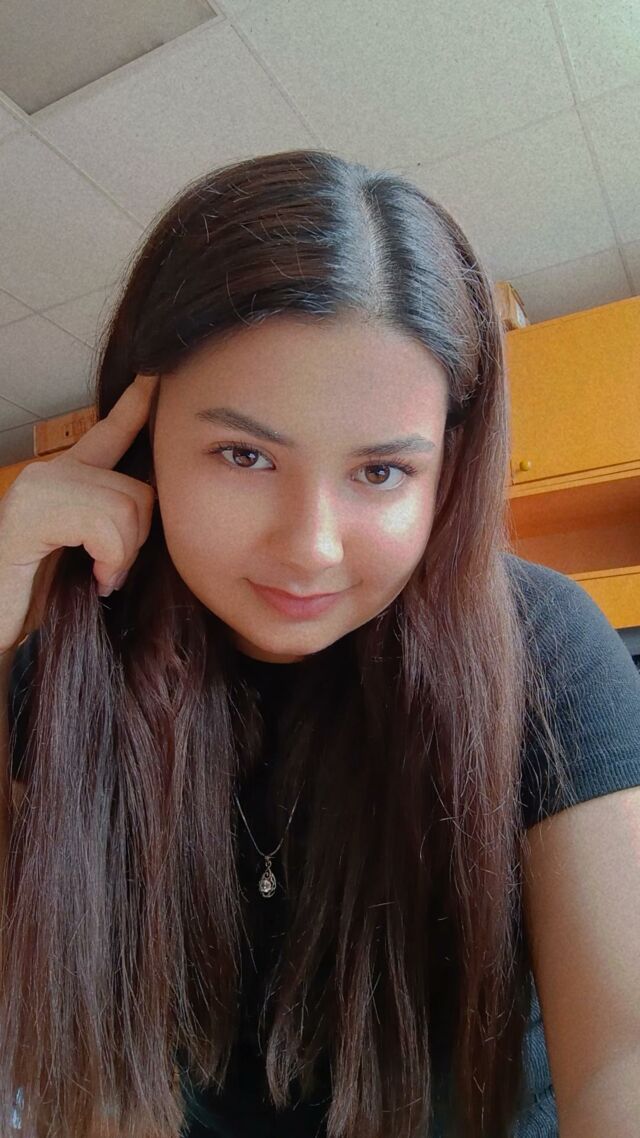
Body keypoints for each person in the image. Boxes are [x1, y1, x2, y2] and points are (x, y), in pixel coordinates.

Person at [0, 148, 639, 1138]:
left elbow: (622, 1060)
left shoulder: (541, 646)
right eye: (243, 454)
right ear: (143, 434)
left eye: (380, 472)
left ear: (448, 470)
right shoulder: (70, 666)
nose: (311, 547)